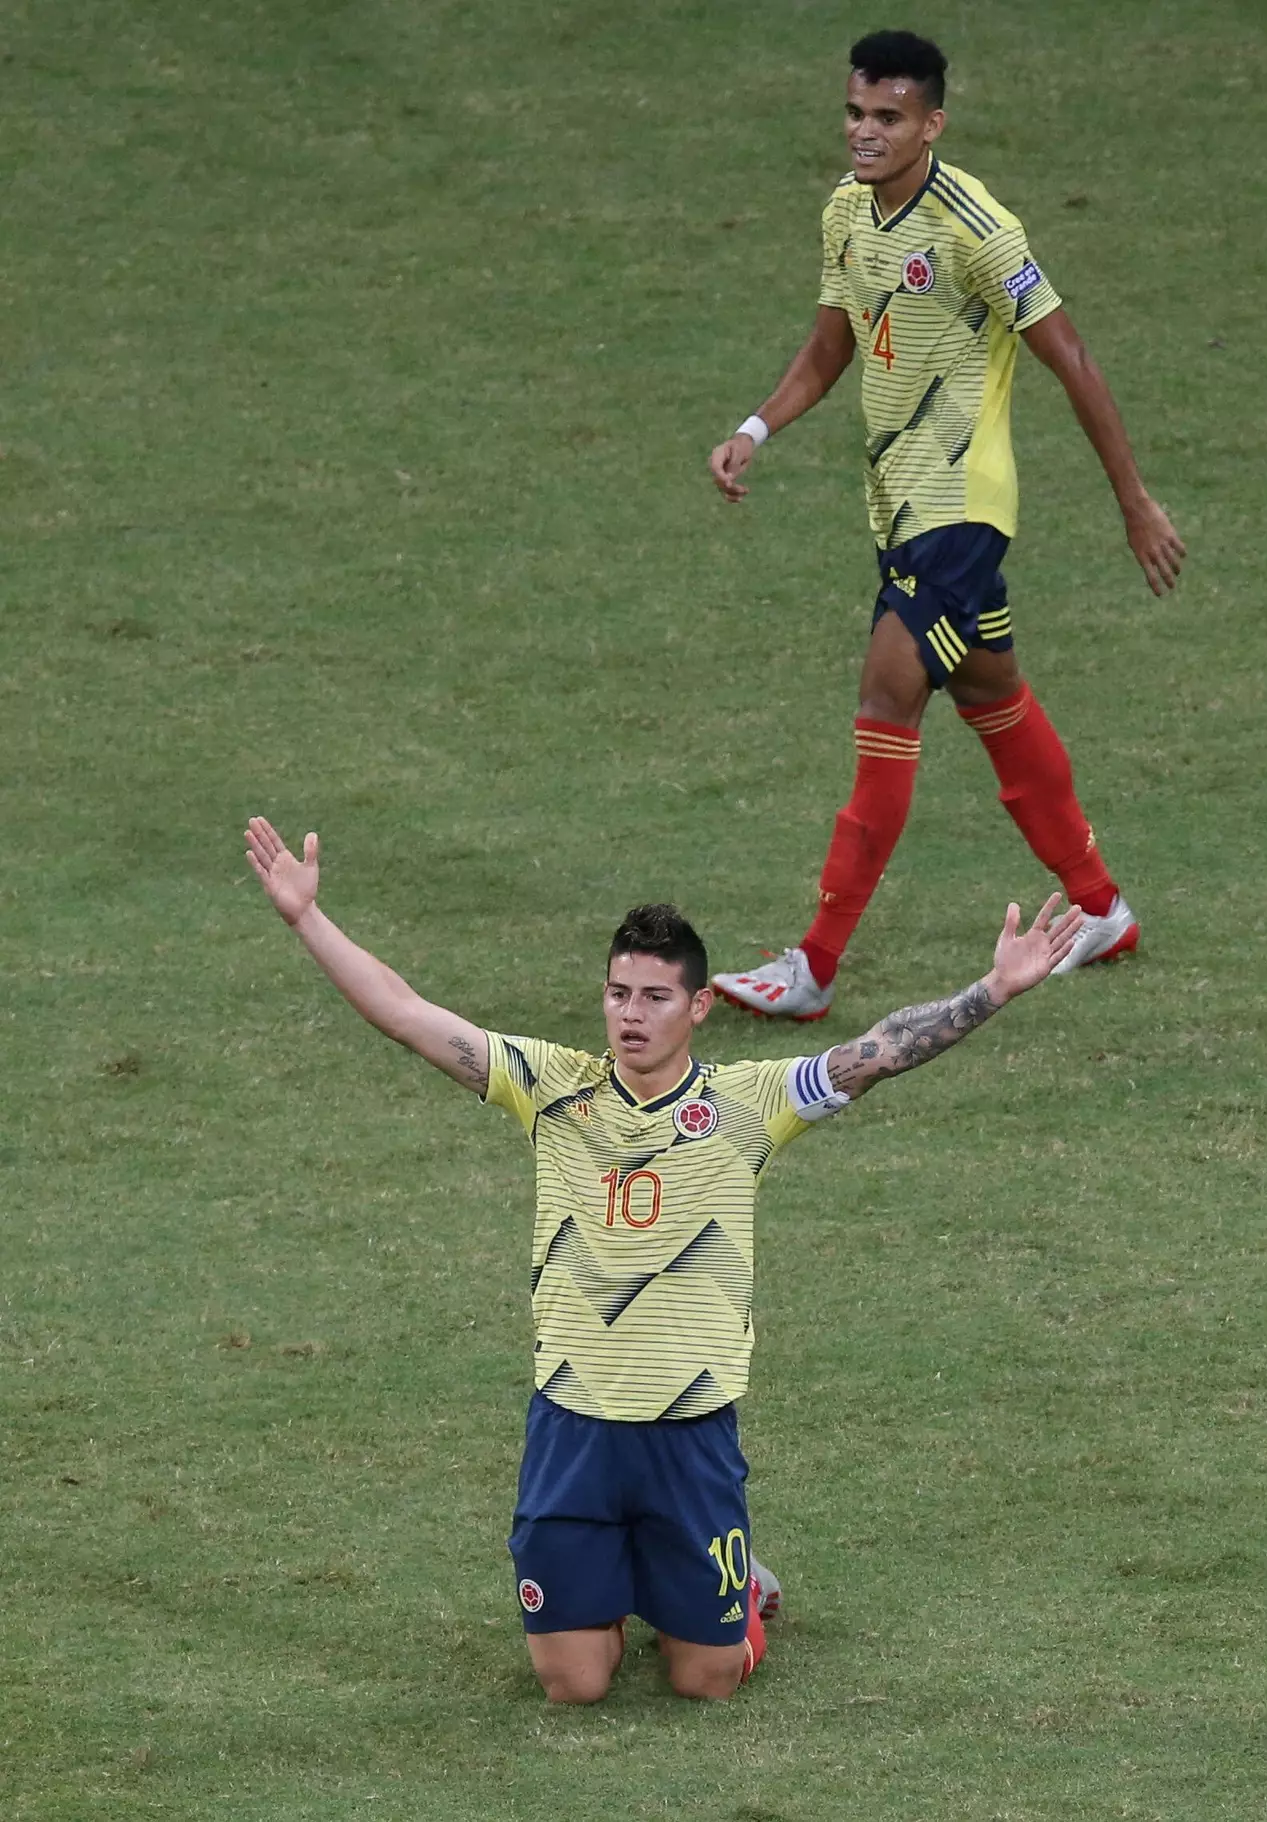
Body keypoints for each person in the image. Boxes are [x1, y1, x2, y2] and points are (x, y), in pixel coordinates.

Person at [243, 814, 1082, 1702]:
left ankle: (733, 1594)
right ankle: (613, 1588)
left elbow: (873, 1054)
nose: (629, 1014)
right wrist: (306, 918)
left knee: (705, 1683)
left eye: (651, 997)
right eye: (617, 993)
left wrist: (992, 989)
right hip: (574, 1426)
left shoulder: (748, 1104)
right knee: (576, 1686)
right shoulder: (552, 1088)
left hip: (691, 1434)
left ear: (697, 1006)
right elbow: (408, 1014)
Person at [708, 29, 1186, 1022]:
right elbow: (830, 345)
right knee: (990, 690)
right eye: (854, 113)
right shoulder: (846, 212)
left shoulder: (977, 226)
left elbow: (1074, 360)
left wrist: (1134, 501)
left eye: (888, 117)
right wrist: (757, 427)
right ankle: (1101, 911)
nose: (865, 133)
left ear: (933, 123)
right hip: (899, 509)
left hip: (962, 511)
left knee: (887, 698)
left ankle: (815, 966)